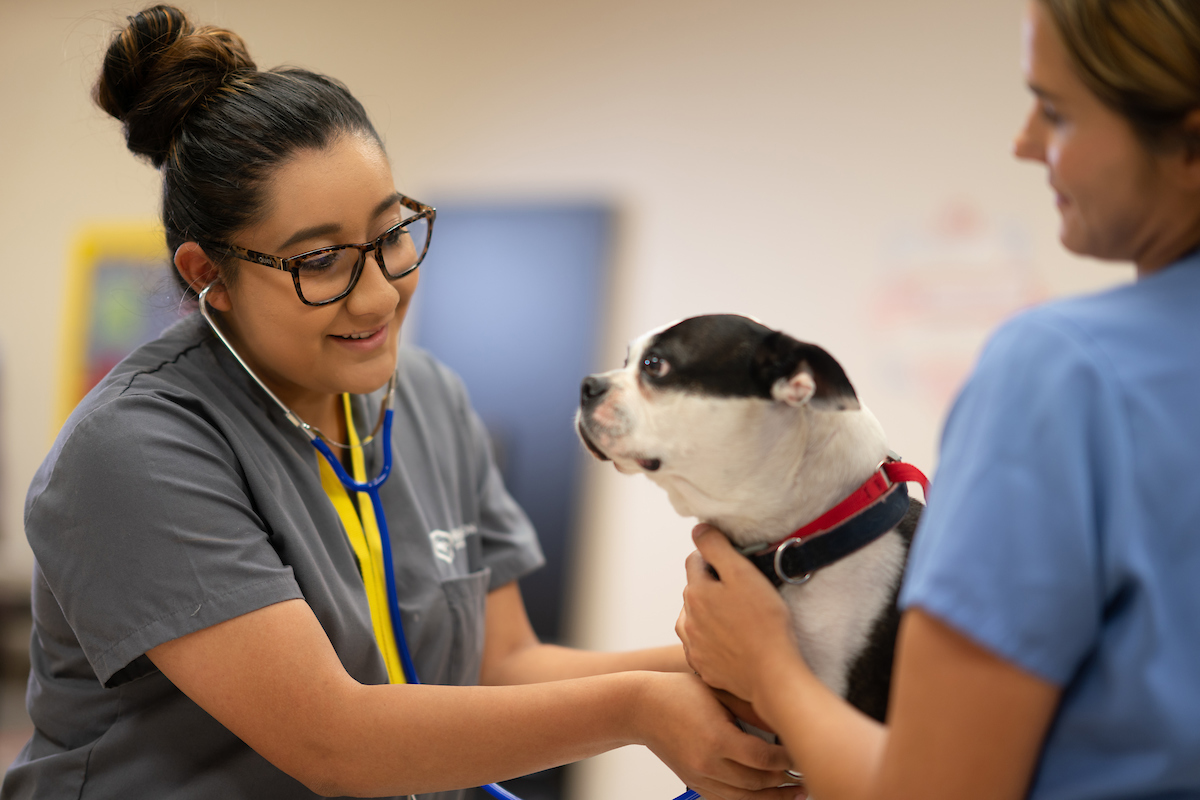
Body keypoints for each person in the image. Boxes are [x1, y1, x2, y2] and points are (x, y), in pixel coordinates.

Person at [0, 6, 799, 800]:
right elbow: (334, 742)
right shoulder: (137, 449)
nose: (379, 294)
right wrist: (643, 708)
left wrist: (766, 668)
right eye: (320, 262)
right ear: (209, 274)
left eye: (391, 235)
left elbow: (503, 666)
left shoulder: (424, 401)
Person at [676, 0, 1200, 798]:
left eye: (1055, 112)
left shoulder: (1062, 374)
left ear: (1191, 142)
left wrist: (771, 669)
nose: (1024, 143)